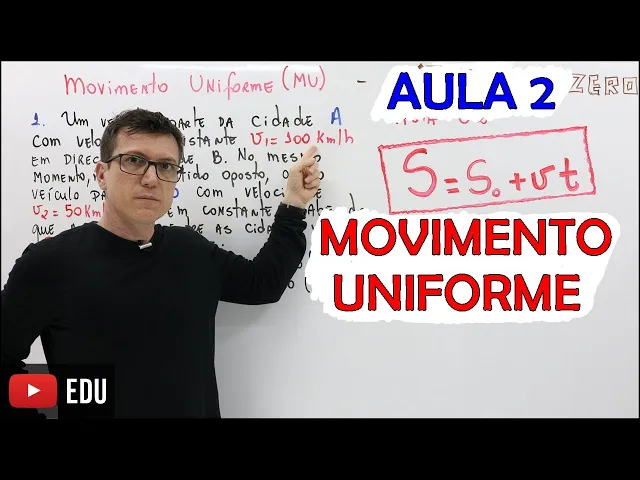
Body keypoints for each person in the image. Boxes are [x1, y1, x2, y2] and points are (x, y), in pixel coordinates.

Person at [1, 108, 320, 418]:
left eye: (166, 166)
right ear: (102, 174)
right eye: (134, 161)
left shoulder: (191, 252)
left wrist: (294, 203)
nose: (151, 178)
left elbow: (263, 283)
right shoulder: (49, 264)